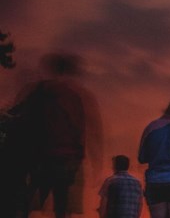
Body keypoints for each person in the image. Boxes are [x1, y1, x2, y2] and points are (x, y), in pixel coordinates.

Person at [5, 53, 103, 218]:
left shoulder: (34, 90)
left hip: (36, 155)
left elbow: (15, 118)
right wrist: (96, 163)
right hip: (68, 159)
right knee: (62, 203)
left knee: (27, 200)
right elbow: (93, 132)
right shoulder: (79, 95)